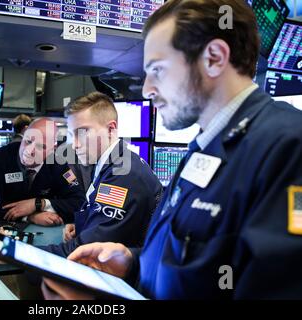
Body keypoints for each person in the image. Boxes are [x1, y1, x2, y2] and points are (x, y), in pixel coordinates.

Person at [41, 0, 302, 299]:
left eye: (157, 70)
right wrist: (134, 263)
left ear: (214, 58)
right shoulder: (205, 148)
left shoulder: (289, 147)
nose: (148, 89)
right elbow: (192, 264)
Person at [40, 91, 162, 258]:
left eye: (82, 133)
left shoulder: (123, 176)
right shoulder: (113, 163)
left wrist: (14, 251)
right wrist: (83, 226)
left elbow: (86, 253)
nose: (74, 145)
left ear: (111, 129)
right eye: (71, 135)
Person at [0, 117, 85, 226]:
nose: (29, 151)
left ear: (53, 149)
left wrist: (39, 203)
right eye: (28, 141)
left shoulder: (58, 165)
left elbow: (79, 203)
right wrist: (30, 217)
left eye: (40, 146)